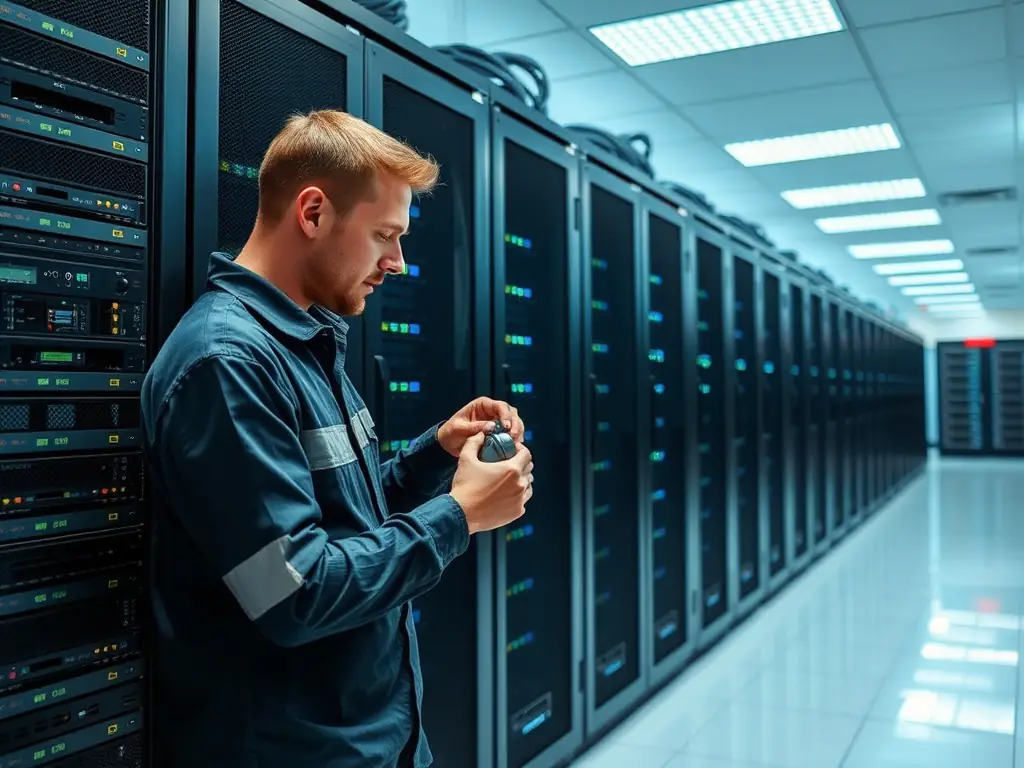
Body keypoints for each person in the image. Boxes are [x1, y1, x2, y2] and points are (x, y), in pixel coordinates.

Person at [141, 109, 534, 767]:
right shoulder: (227, 364)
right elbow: (293, 592)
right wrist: (458, 516)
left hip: (371, 733)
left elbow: (340, 517)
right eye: (385, 235)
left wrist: (434, 453)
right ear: (314, 212)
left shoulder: (302, 341)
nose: (398, 263)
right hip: (296, 751)